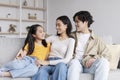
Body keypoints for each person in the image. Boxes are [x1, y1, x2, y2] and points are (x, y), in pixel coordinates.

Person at [67, 11, 110, 80]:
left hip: (88, 65)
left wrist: (94, 58)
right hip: (76, 63)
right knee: (74, 63)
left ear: (86, 22)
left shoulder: (96, 39)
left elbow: (107, 55)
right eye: (75, 22)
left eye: (77, 21)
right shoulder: (71, 36)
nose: (75, 24)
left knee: (104, 62)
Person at [32, 16, 75, 80]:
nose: (56, 27)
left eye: (59, 25)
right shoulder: (53, 37)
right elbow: (38, 43)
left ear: (66, 26)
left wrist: (47, 62)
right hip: (49, 61)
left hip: (60, 63)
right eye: (56, 25)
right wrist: (23, 50)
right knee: (41, 71)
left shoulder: (71, 40)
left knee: (62, 67)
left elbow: (67, 60)